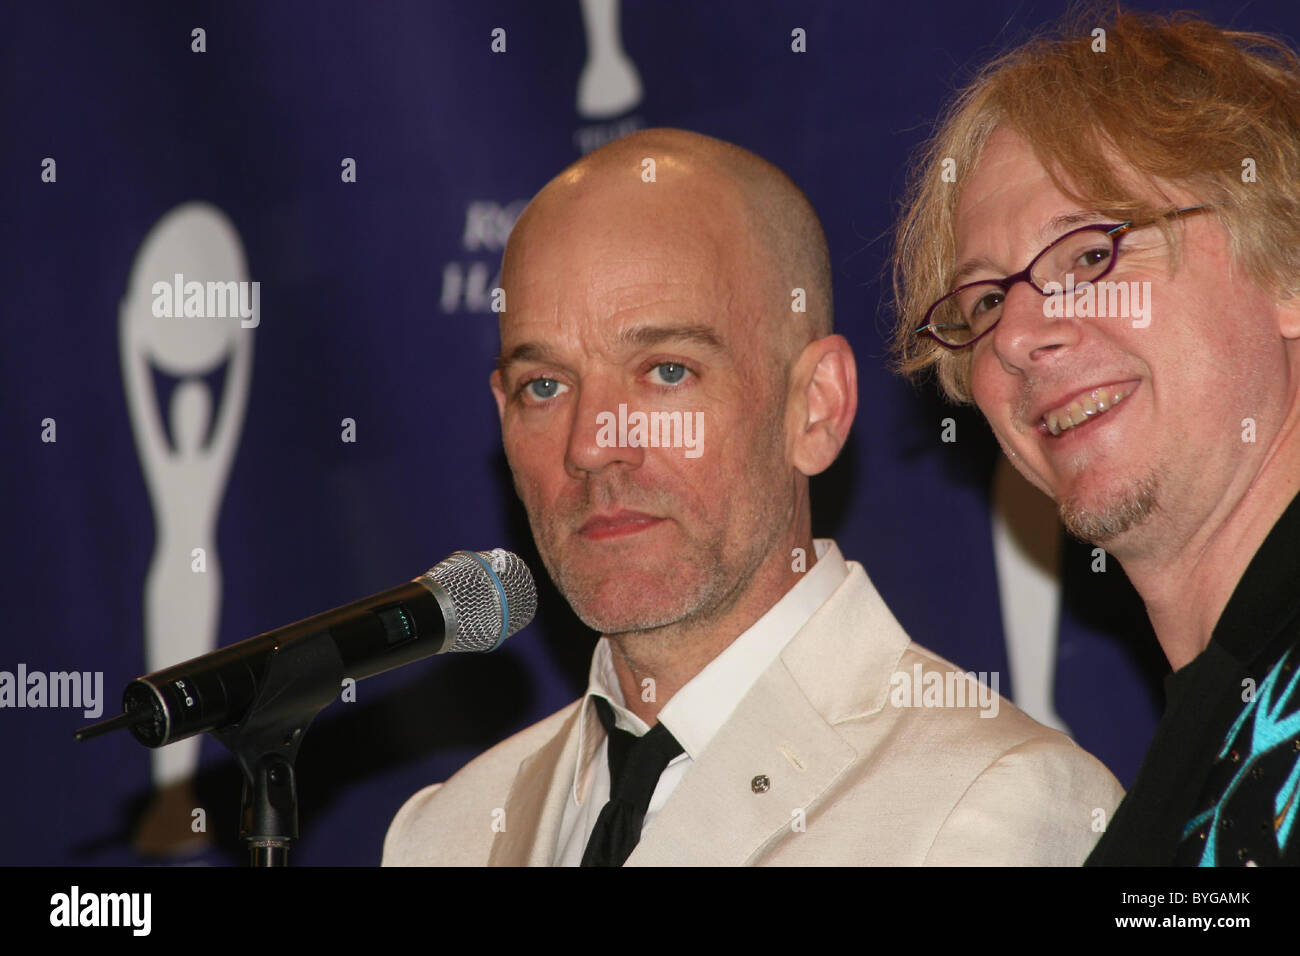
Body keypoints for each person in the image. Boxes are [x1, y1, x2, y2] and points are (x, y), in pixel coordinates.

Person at [383, 127, 1121, 866]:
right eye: (543, 386)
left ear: (816, 408)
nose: (591, 444)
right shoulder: (443, 835)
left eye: (666, 371)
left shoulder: (992, 806)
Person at [890, 8, 1300, 865]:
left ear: (1286, 268)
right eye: (988, 301)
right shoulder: (1179, 782)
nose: (1014, 338)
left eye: (1088, 257)